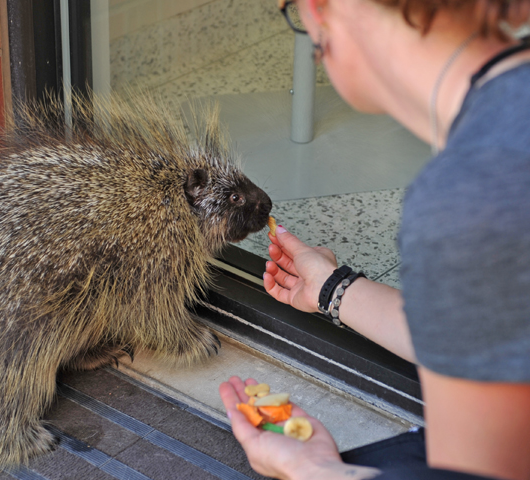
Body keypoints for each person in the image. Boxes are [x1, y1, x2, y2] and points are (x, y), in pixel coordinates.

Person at [219, 0, 530, 479]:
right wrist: (333, 288)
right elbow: (500, 337)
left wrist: (316, 471)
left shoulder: (471, 192)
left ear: (324, 9)